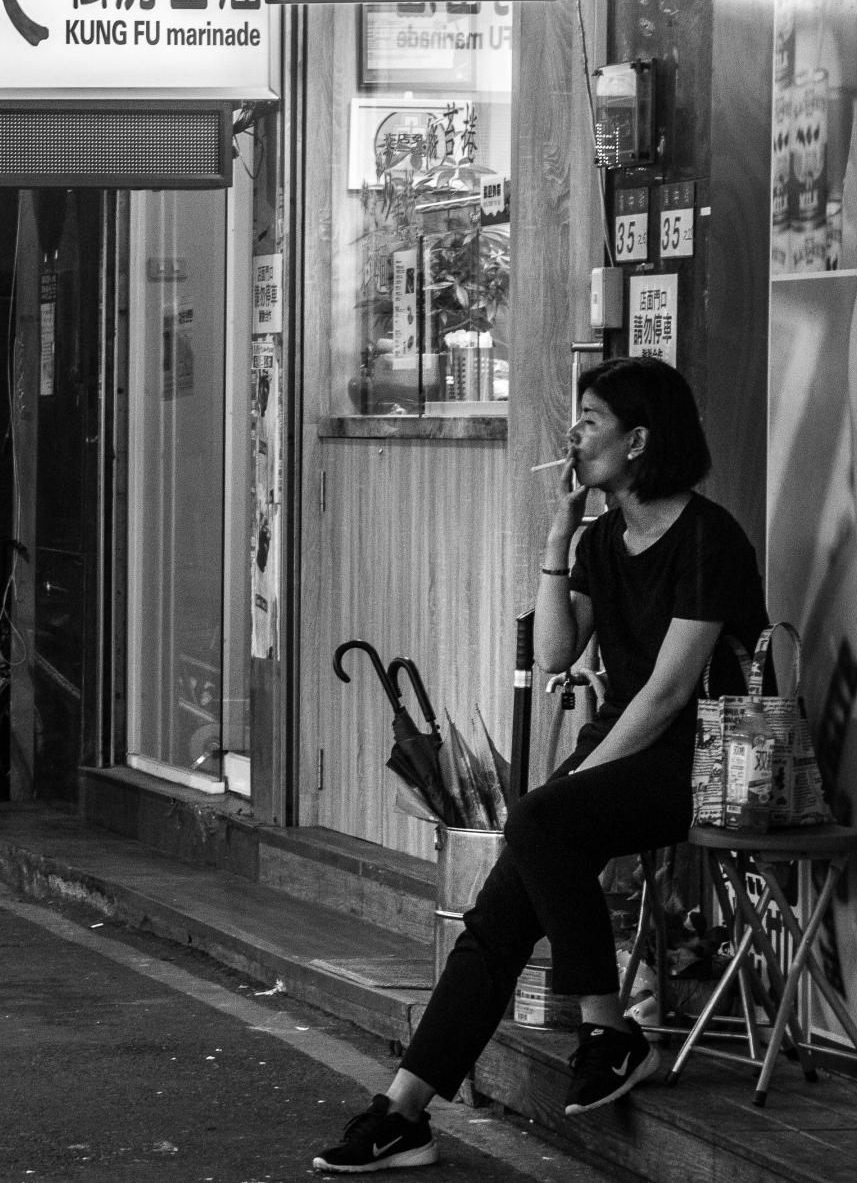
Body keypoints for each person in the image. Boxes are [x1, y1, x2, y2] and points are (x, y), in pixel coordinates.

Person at [311, 356, 768, 1173]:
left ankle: (607, 1025)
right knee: (498, 918)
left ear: (637, 441)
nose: (574, 435)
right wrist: (558, 542)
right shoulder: (599, 538)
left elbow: (667, 698)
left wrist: (575, 786)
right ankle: (404, 1109)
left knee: (537, 819)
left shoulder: (708, 538)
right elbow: (559, 651)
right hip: (620, 759)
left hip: (701, 762)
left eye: (590, 419)